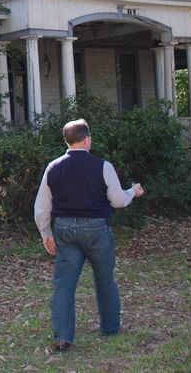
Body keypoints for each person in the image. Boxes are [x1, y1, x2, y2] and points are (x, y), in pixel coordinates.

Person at [33, 119, 144, 352]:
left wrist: (46, 233)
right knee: (105, 279)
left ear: (67, 140)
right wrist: (132, 191)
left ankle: (63, 337)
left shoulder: (53, 167)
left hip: (65, 229)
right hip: (97, 229)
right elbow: (118, 201)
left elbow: (42, 207)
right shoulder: (103, 166)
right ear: (86, 139)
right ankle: (110, 327)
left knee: (64, 283)